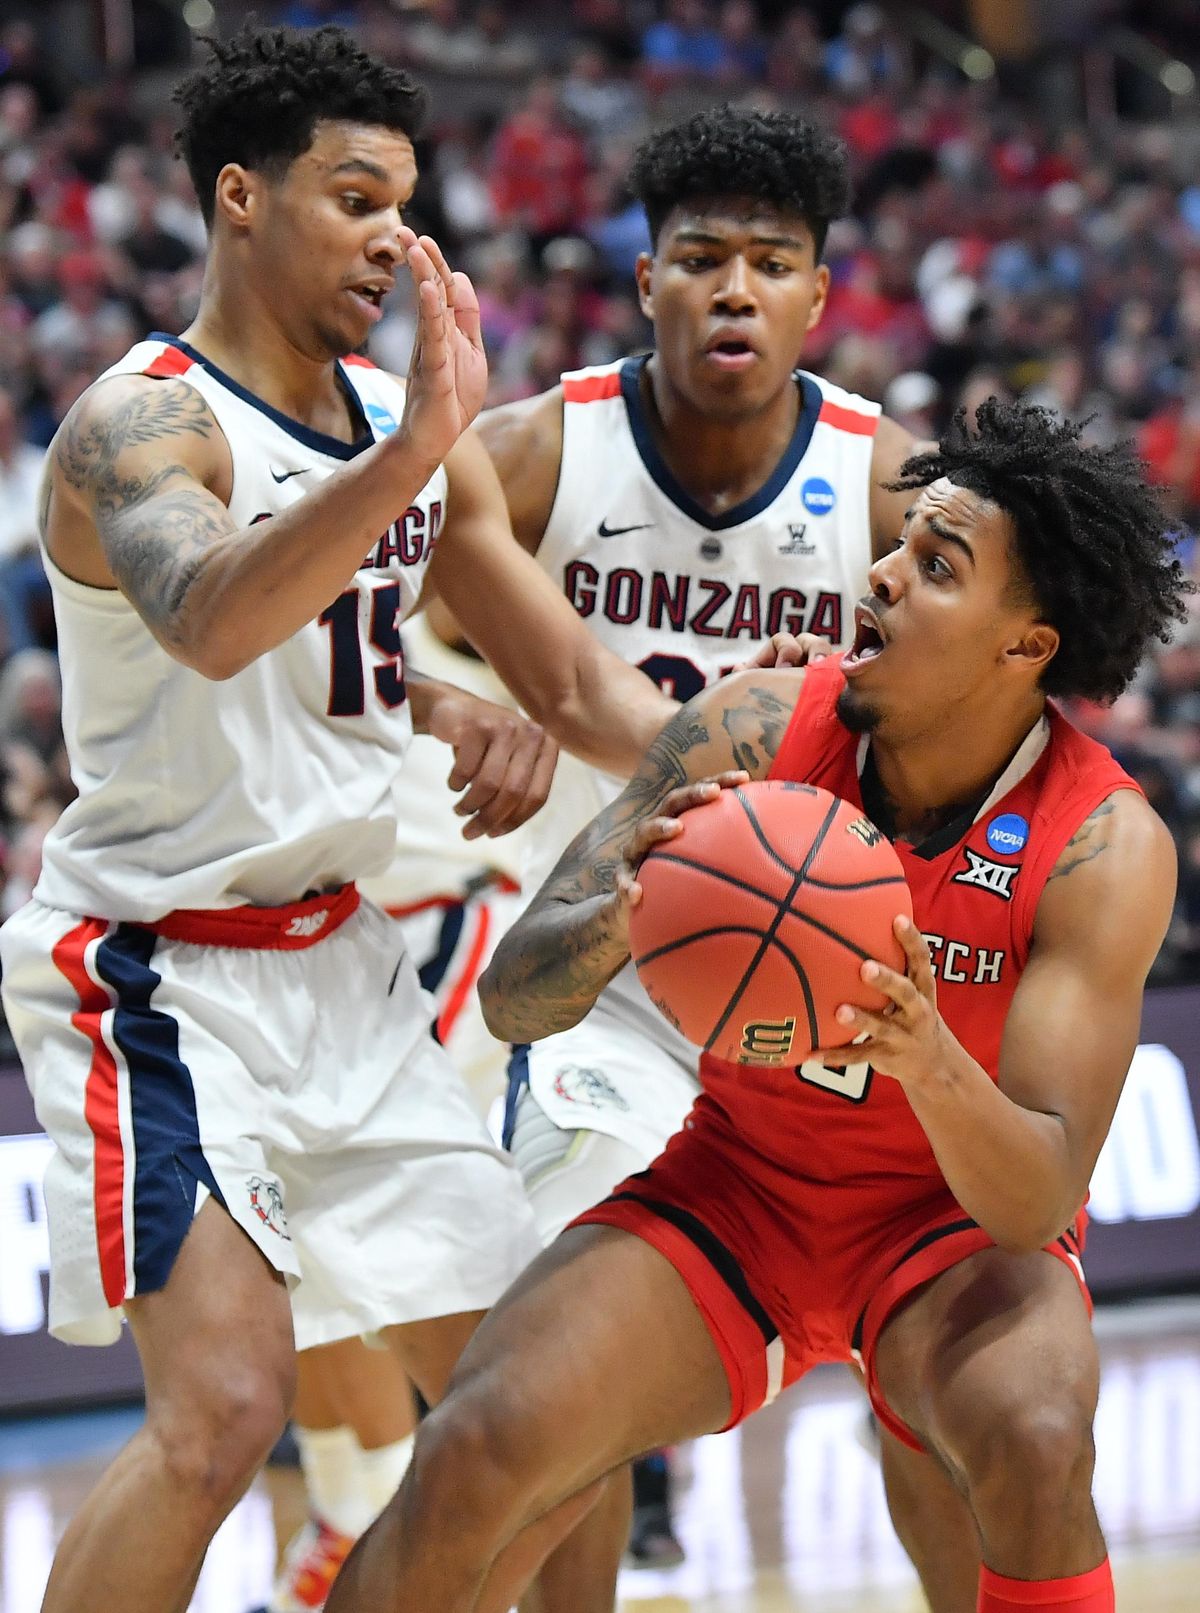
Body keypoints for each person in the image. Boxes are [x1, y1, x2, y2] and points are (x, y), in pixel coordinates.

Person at [0, 26, 677, 1613]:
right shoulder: (141, 427)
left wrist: (768, 761)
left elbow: (571, 683)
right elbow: (220, 620)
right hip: (158, 980)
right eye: (354, 194)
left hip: (351, 969)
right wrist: (420, 451)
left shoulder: (395, 417)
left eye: (406, 204)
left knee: (555, 1423)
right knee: (220, 1418)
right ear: (241, 196)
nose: (392, 234)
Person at [322, 398, 1189, 1613]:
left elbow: (1036, 1194)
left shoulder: (1102, 844)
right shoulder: (755, 721)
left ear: (1025, 645)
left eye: (934, 567)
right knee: (475, 1434)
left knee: (1038, 1430)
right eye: (899, 545)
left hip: (946, 1234)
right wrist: (623, 912)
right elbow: (519, 997)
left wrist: (926, 1052)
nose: (881, 573)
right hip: (740, 1188)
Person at [474, 102, 978, 1599]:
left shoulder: (889, 485)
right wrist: (450, 701)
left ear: (821, 296)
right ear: (648, 283)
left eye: (771, 263)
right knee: (560, 1372)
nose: (735, 289)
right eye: (701, 259)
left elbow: (983, 709)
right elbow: (361, 624)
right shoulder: (538, 452)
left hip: (817, 979)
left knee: (952, 1394)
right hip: (609, 969)